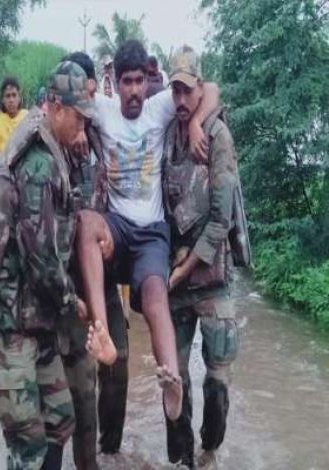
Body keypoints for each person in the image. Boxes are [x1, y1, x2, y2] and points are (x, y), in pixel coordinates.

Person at [0, 61, 110, 470]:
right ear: (56, 107)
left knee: (60, 418)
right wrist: (72, 303)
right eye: (78, 117)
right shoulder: (39, 163)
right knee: (27, 441)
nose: (82, 127)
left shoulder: (50, 143)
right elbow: (42, 257)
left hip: (35, 313)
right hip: (7, 318)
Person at [74, 39, 221, 425]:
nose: (135, 90)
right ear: (116, 81)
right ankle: (102, 333)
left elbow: (211, 89)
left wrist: (194, 123)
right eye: (127, 82)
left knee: (156, 293)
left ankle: (171, 379)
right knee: (86, 222)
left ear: (147, 81)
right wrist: (79, 128)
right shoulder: (102, 110)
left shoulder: (160, 107)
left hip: (152, 231)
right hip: (117, 225)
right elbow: (61, 100)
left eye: (140, 81)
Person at [162, 46, 241, 470]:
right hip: (175, 280)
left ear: (199, 90)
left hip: (212, 278)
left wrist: (185, 268)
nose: (179, 99)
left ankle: (209, 452)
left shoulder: (218, 137)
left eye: (186, 91)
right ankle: (181, 460)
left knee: (217, 383)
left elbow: (221, 220)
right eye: (174, 90)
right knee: (172, 379)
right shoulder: (167, 134)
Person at [63, 50, 131, 459]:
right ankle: (88, 461)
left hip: (104, 279)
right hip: (71, 286)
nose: (88, 105)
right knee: (83, 389)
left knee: (118, 364)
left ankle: (112, 453)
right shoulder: (57, 144)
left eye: (92, 93)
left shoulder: (106, 133)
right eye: (82, 97)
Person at [0, 76, 29, 166]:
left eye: (14, 95)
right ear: (2, 99)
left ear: (19, 98)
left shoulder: (27, 117)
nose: (11, 100)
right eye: (7, 96)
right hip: (1, 170)